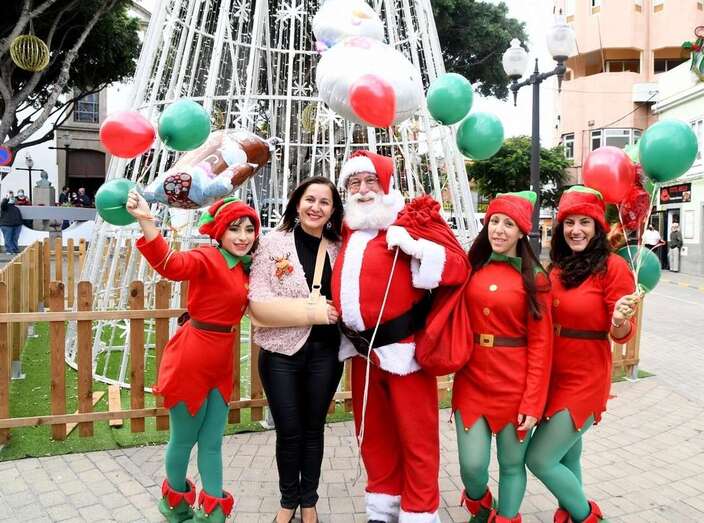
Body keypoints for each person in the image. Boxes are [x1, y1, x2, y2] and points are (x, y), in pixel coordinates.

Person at [331, 150, 470, 522]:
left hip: (406, 353)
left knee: (417, 438)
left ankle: (420, 511)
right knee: (373, 434)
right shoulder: (348, 228)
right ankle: (383, 507)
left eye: (370, 182)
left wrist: (417, 248)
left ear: (386, 184)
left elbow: (459, 265)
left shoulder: (410, 222)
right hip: (363, 354)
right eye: (355, 183)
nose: (362, 190)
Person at [126, 190, 260, 523]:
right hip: (192, 358)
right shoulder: (206, 257)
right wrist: (146, 220)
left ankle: (213, 513)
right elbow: (171, 265)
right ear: (220, 232)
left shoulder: (246, 268)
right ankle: (175, 505)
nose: (243, 237)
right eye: (234, 229)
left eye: (249, 229)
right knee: (184, 439)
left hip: (221, 361)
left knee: (212, 442)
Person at [525, 186, 640, 523]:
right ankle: (573, 512)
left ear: (597, 227)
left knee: (540, 459)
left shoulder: (613, 267)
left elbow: (622, 332)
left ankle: (588, 516)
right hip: (553, 373)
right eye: (569, 222)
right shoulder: (558, 268)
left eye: (584, 222)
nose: (576, 230)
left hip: (585, 377)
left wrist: (619, 319)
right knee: (568, 455)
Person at [247, 177, 344, 523]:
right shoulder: (272, 243)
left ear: (333, 210)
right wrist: (314, 312)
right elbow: (258, 303)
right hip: (280, 355)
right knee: (288, 431)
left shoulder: (339, 248)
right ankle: (288, 500)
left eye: (324, 202)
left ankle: (309, 501)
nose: (316, 207)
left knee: (313, 429)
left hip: (325, 354)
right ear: (297, 203)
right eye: (310, 199)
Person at [452, 191, 553, 523]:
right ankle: (481, 506)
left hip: (515, 386)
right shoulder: (470, 268)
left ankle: (506, 518)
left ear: (522, 231)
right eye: (494, 221)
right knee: (471, 466)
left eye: (508, 224)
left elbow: (541, 345)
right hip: (471, 381)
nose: (498, 229)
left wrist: (533, 402)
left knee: (511, 465)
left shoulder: (535, 278)